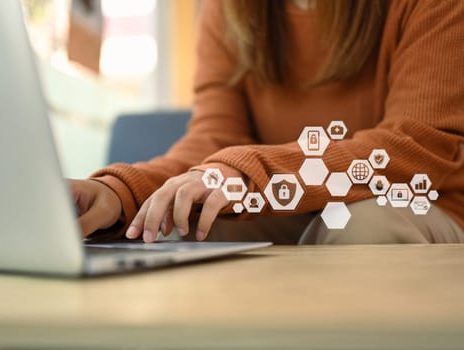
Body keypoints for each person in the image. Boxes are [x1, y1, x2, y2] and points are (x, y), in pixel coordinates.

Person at [70, 0, 464, 244]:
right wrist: (120, 193)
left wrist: (247, 174)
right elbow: (213, 139)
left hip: (424, 204)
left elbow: (417, 147)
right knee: (207, 221)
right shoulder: (228, 9)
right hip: (299, 209)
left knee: (366, 224)